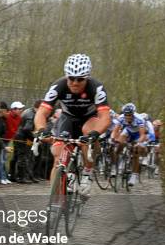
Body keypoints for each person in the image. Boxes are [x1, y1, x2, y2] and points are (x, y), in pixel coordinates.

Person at [34, 54, 111, 196]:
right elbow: (42, 112)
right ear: (66, 76)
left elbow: (105, 118)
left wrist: (95, 134)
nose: (75, 83)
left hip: (89, 118)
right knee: (57, 155)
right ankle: (54, 201)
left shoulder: (96, 87)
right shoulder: (59, 86)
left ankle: (87, 174)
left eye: (80, 79)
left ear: (87, 77)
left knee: (88, 132)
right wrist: (41, 129)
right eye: (71, 78)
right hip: (68, 118)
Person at [110, 103, 147, 186]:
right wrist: (112, 138)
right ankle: (117, 162)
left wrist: (138, 143)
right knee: (119, 143)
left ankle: (134, 175)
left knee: (136, 152)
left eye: (129, 115)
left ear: (133, 114)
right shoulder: (121, 118)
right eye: (126, 115)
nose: (128, 117)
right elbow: (115, 131)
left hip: (138, 134)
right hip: (128, 131)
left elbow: (142, 135)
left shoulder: (139, 119)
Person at [14, 100, 41, 183]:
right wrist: (35, 137)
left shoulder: (31, 112)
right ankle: (21, 177)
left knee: (30, 155)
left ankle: (29, 175)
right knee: (23, 156)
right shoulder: (30, 114)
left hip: (27, 138)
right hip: (22, 138)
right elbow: (27, 129)